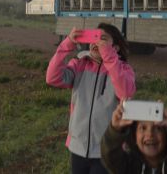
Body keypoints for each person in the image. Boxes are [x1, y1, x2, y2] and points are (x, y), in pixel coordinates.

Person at [46, 23, 137, 174]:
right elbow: (52, 78)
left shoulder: (124, 70)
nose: (97, 42)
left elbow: (125, 93)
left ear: (115, 48)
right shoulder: (79, 64)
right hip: (78, 146)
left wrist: (109, 57)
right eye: (94, 38)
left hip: (107, 148)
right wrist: (67, 44)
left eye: (103, 39)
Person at [101, 103, 167, 174]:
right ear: (134, 137)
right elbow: (109, 154)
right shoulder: (127, 167)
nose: (150, 134)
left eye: (157, 128)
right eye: (143, 128)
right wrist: (115, 129)